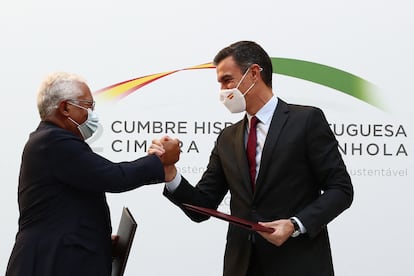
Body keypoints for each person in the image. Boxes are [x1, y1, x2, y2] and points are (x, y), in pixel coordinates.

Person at [151, 41, 354, 275]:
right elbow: (202, 206)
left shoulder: (306, 121)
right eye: (220, 83)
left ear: (254, 73)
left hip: (298, 263)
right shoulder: (227, 138)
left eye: (227, 80)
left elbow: (341, 189)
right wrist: (169, 172)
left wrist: (295, 224)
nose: (223, 91)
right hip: (242, 266)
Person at [5, 72, 180, 276]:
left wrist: (99, 240)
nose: (92, 114)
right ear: (65, 107)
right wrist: (159, 160)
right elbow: (113, 177)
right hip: (49, 262)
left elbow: (67, 208)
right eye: (88, 106)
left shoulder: (52, 141)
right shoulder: (53, 142)